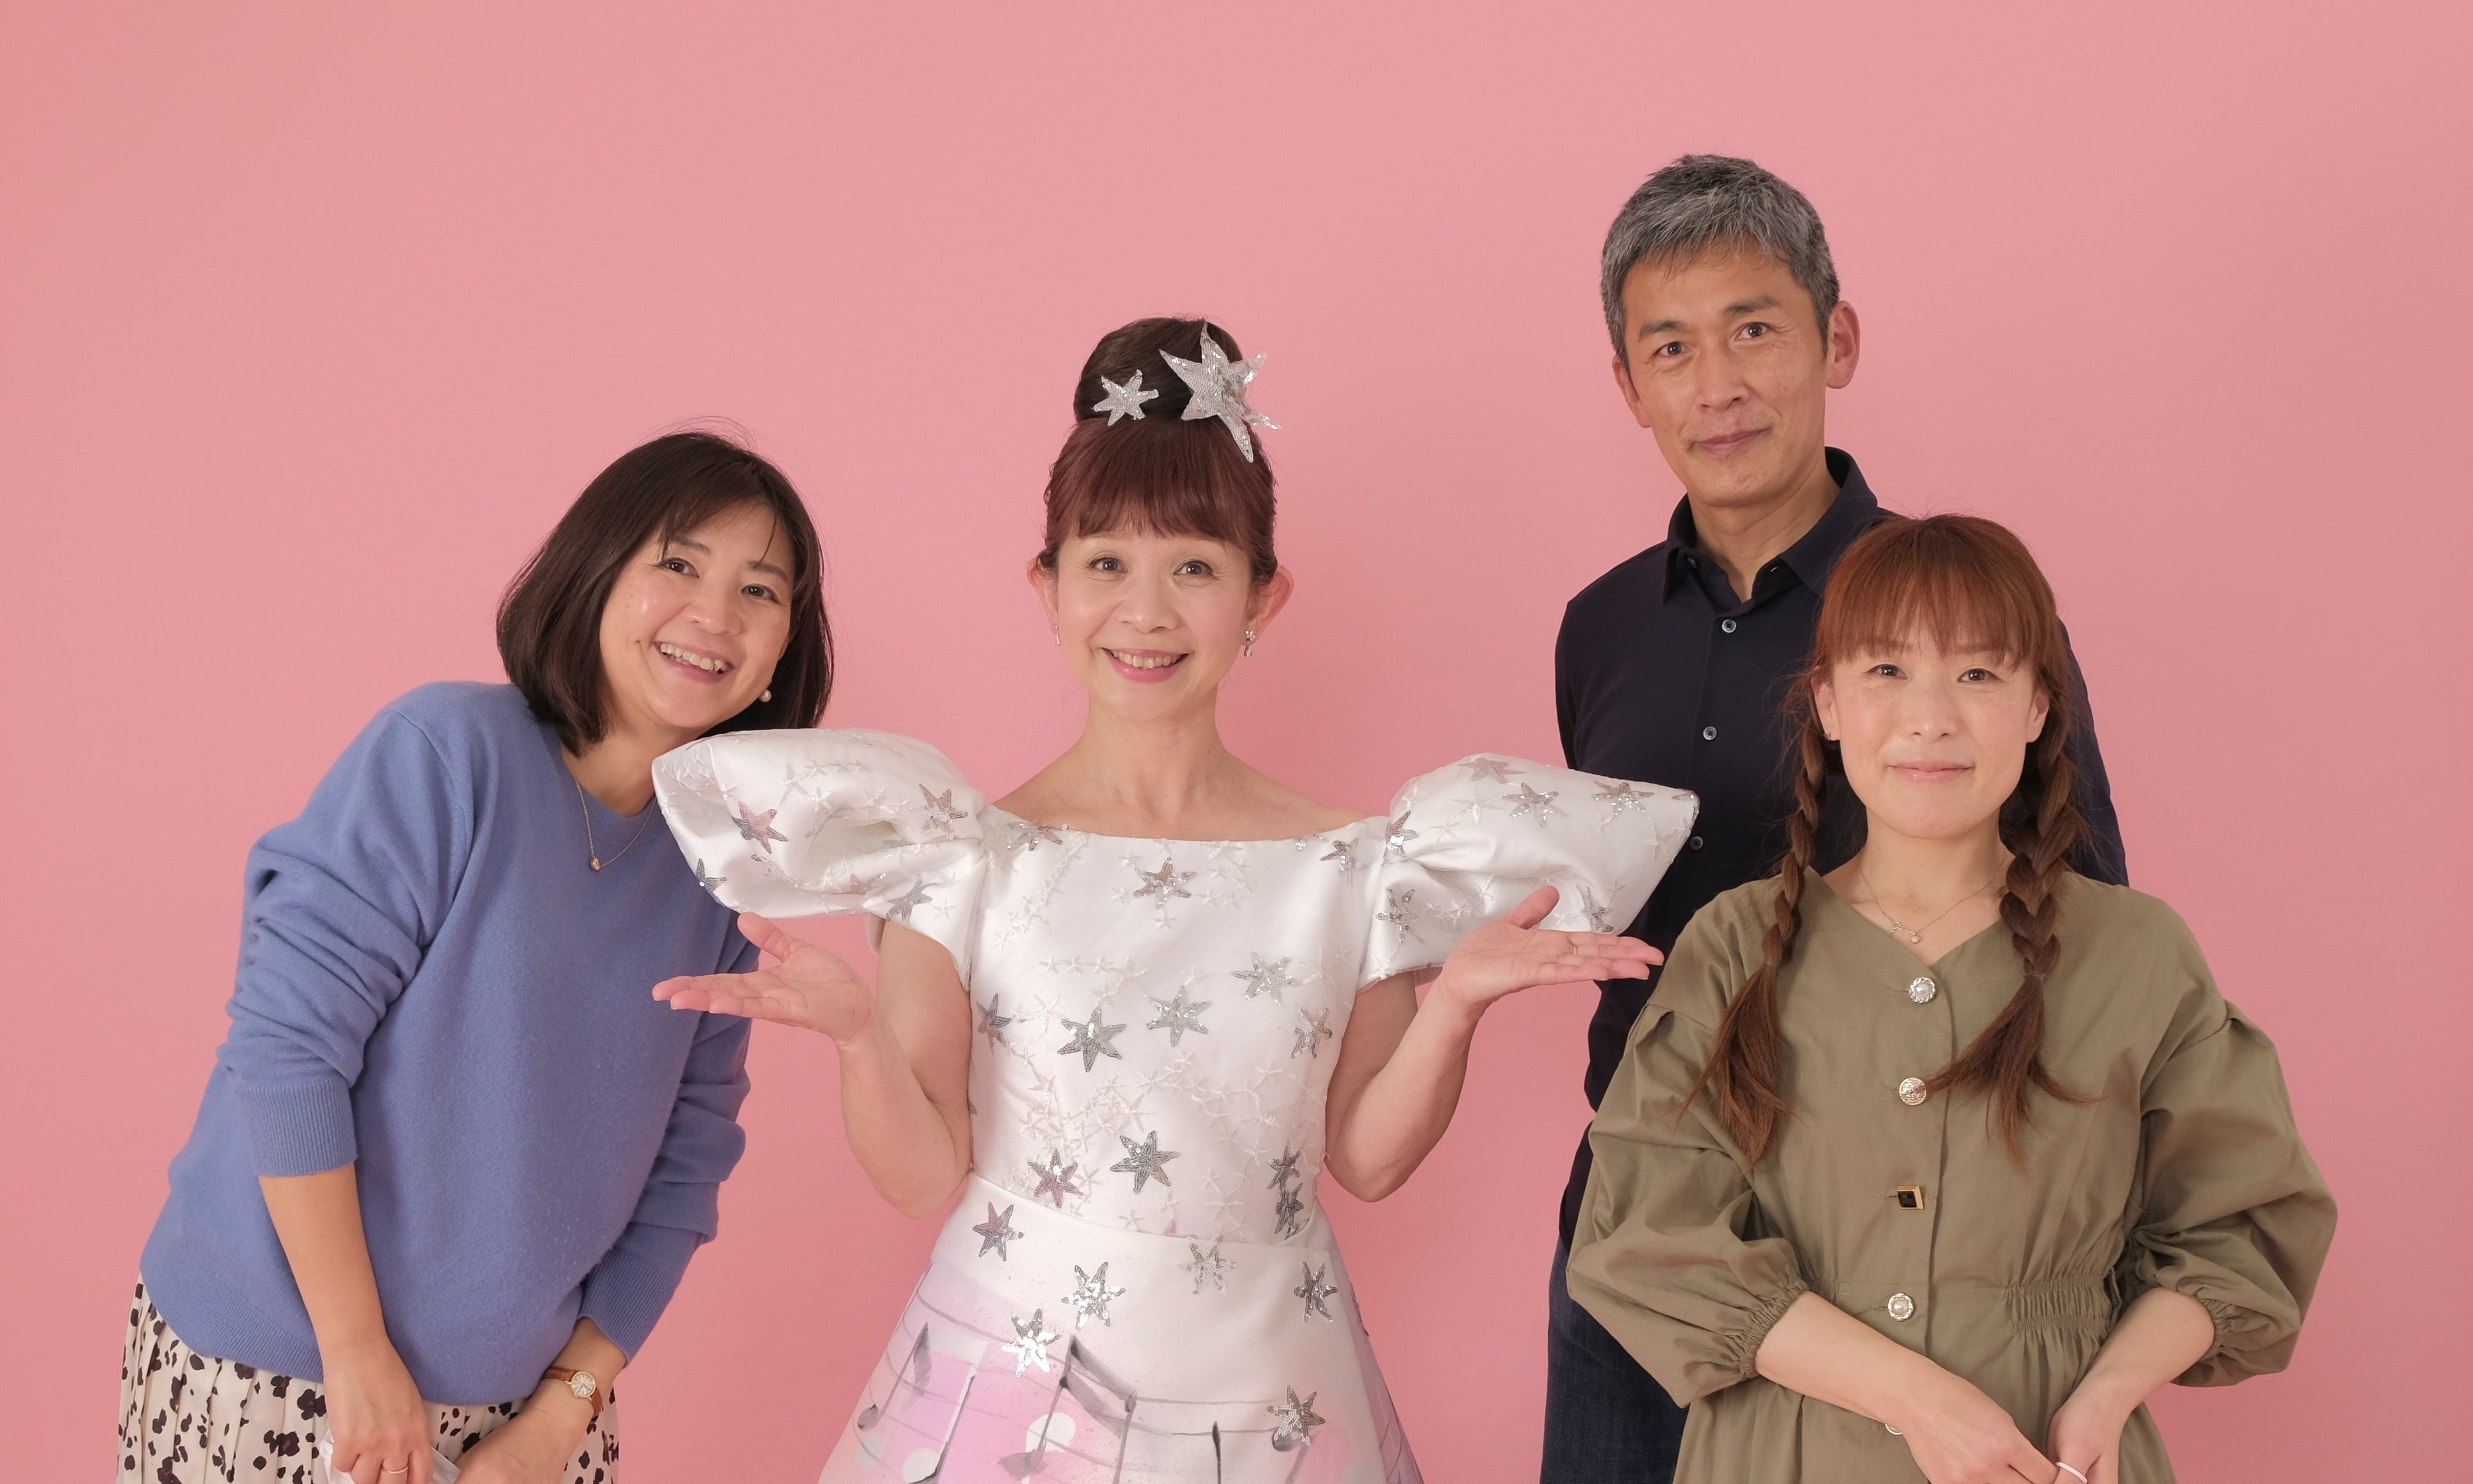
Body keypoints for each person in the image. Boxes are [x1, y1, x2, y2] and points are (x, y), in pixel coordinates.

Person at [648, 317, 1696, 1483]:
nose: (1144, 613)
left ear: (1261, 596)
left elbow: (1365, 1160)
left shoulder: (1353, 865)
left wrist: (1454, 1005)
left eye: (1193, 567)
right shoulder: (958, 854)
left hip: (1268, 1394)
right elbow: (921, 1177)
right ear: (1047, 588)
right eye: (1105, 564)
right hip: (1011, 1393)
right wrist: (857, 1036)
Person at [1545, 155, 2131, 1482]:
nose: (1716, 384)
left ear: (1837, 341)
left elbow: (2079, 911)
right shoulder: (1599, 627)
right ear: (1628, 385)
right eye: (1670, 348)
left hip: (1892, 1242)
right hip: (1638, 1232)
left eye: (1753, 329)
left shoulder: (1960, 618)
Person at [122, 432, 833, 1484]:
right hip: (282, 1370)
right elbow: (287, 1053)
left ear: (782, 653)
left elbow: (686, 1169)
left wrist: (562, 1413)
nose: (715, 616)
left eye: (759, 590)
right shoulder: (446, 754)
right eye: (678, 564)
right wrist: (356, 1354)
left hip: (531, 1420)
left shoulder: (728, 871)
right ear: (596, 574)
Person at [1566, 515, 2333, 1483]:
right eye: (1887, 670)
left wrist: (2104, 1395)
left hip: (2053, 1458)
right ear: (1828, 702)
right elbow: (1648, 1233)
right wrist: (1918, 1402)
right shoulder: (1732, 946)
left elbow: (2239, 1229)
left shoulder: (2139, 952)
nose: (1930, 718)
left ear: (2039, 706)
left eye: (1977, 673)